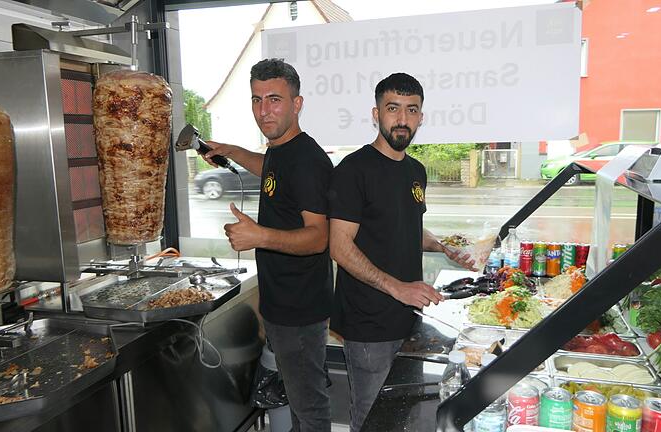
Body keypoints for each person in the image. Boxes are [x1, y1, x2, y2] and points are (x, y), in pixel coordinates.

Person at [327, 72, 475, 432]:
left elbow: (404, 227)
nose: (403, 119)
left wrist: (442, 246)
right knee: (373, 418)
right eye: (393, 108)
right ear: (376, 114)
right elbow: (339, 245)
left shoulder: (415, 171)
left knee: (403, 412)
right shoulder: (353, 170)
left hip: (409, 317)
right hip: (369, 323)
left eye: (412, 110)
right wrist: (399, 287)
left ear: (421, 117)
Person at [203, 58, 333, 432]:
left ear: (297, 103)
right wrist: (231, 150)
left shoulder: (308, 160)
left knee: (309, 407)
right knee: (295, 398)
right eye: (257, 100)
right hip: (283, 304)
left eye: (275, 99)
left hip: (301, 308)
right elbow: (270, 169)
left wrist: (259, 235)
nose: (264, 110)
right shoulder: (282, 149)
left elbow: (318, 237)